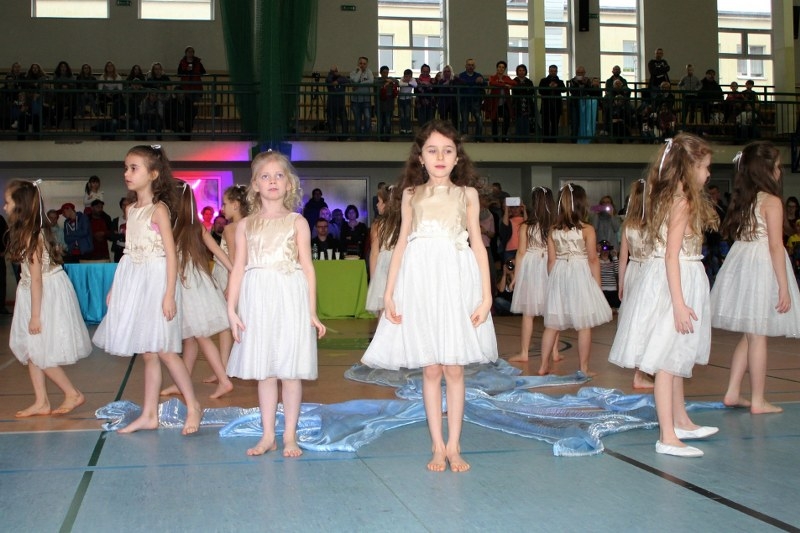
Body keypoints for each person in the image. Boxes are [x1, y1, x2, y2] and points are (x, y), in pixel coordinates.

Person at [362, 120, 498, 472]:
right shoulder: (411, 195)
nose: (440, 157)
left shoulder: (467, 195)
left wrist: (486, 296)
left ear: (457, 158)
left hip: (455, 282)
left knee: (454, 367)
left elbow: (478, 245)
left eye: (447, 151)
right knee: (431, 367)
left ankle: (455, 445)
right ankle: (437, 445)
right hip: (421, 282)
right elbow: (401, 244)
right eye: (432, 150)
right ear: (420, 157)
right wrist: (388, 293)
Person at [609, 134, 720, 457]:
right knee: (666, 362)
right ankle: (667, 436)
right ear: (689, 168)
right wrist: (680, 304)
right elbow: (671, 255)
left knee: (676, 356)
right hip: (675, 282)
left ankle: (681, 422)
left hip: (678, 278)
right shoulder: (681, 202)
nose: (708, 174)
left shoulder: (671, 197)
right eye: (705, 167)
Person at [92, 145, 202, 435]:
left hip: (156, 281)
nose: (127, 173)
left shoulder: (159, 210)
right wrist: (116, 287)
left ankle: (193, 406)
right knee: (148, 353)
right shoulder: (131, 210)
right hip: (136, 281)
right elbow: (128, 253)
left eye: (134, 168)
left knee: (165, 350)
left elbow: (171, 254)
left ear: (153, 174)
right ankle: (149, 414)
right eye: (126, 168)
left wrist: (169, 294)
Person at [226, 150, 325, 457]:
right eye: (265, 176)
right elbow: (238, 268)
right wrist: (231, 310)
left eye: (278, 175)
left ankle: (290, 435)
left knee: (290, 370)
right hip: (258, 298)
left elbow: (308, 268)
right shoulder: (246, 225)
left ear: (288, 183)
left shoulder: (297, 222)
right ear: (255, 184)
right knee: (266, 370)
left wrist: (312, 311)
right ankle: (268, 434)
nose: (272, 181)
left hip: (290, 296)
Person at [711, 142, 800, 414]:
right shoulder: (771, 201)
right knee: (758, 335)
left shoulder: (746, 199)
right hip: (761, 264)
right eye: (777, 166)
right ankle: (758, 399)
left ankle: (733, 392)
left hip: (744, 262)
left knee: (750, 334)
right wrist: (783, 287)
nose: (780, 171)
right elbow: (775, 245)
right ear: (765, 169)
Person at [4, 180, 91, 418]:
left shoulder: (32, 237)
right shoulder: (28, 233)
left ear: (20, 206)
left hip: (42, 293)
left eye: (7, 202)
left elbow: (37, 279)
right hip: (32, 290)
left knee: (39, 350)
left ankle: (72, 392)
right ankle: (41, 401)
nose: (4, 207)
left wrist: (35, 316)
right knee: (32, 350)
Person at [161, 182, 234, 400]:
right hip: (196, 282)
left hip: (188, 285)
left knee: (200, 336)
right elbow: (217, 251)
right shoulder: (196, 226)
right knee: (191, 339)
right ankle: (181, 382)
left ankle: (223, 380)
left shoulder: (175, 228)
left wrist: (235, 272)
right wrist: (233, 269)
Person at [539, 184, 612, 376]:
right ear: (581, 203)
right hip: (579, 273)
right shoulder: (587, 229)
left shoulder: (553, 230)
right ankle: (584, 367)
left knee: (552, 324)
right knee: (584, 324)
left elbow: (551, 261)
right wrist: (597, 285)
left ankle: (543, 365)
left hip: (559, 272)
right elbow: (593, 259)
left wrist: (553, 282)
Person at [508, 187, 560, 363]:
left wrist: (516, 275)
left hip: (531, 266)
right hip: (550, 263)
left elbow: (521, 252)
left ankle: (524, 353)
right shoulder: (556, 225)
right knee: (553, 311)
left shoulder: (527, 226)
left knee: (528, 313)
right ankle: (554, 351)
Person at [612, 179, 655, 390]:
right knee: (651, 320)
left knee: (637, 320)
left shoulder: (628, 225)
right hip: (651, 272)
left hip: (633, 271)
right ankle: (643, 371)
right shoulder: (655, 223)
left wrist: (621, 282)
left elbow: (623, 257)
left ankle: (643, 369)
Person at [208, 184, 248, 383]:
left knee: (226, 325)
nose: (222, 208)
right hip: (243, 275)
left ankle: (224, 369)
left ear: (235, 204)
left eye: (225, 204)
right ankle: (229, 367)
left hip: (229, 275)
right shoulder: (251, 224)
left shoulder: (231, 228)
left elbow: (233, 259)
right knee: (239, 323)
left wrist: (229, 286)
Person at [365, 185, 400, 315]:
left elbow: (374, 253)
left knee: (384, 308)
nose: (377, 205)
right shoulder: (404, 223)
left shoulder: (378, 225)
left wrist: (374, 278)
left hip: (384, 266)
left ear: (387, 204)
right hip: (399, 264)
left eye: (379, 202)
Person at [486, 60, 515, 142]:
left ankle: (504, 136)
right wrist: (505, 85)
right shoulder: (492, 77)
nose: (501, 69)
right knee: (494, 120)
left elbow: (514, 83)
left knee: (507, 118)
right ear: (497, 68)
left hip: (504, 103)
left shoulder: (506, 78)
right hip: (494, 103)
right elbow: (492, 83)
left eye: (503, 67)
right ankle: (495, 138)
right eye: (499, 67)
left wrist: (504, 82)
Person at [457, 58, 486, 138]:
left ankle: (478, 137)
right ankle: (465, 138)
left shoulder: (478, 75)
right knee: (465, 121)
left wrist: (482, 81)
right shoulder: (461, 75)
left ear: (474, 66)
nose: (470, 67)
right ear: (465, 66)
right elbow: (463, 83)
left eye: (472, 65)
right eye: (469, 65)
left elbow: (485, 84)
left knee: (479, 120)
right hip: (464, 101)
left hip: (475, 102)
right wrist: (474, 82)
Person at [539, 65, 565, 142]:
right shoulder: (543, 81)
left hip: (556, 106)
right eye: (551, 71)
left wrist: (557, 86)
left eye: (554, 71)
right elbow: (540, 91)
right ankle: (545, 139)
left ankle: (554, 139)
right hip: (546, 105)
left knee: (555, 124)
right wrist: (548, 86)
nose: (553, 72)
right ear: (549, 71)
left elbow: (564, 89)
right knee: (545, 123)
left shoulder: (560, 81)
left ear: (557, 72)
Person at [350, 56, 374, 137]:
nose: (362, 65)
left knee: (368, 117)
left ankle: (367, 135)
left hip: (366, 100)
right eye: (360, 63)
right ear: (358, 64)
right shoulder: (353, 73)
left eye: (364, 64)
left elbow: (371, 81)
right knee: (358, 119)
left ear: (367, 65)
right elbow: (355, 80)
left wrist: (359, 84)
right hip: (355, 100)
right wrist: (359, 72)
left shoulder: (369, 72)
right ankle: (358, 136)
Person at [512, 64, 535, 141]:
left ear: (525, 71)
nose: (521, 72)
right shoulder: (514, 81)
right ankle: (518, 138)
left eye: (523, 70)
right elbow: (515, 90)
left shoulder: (529, 81)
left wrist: (522, 90)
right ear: (517, 72)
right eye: (520, 70)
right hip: (517, 104)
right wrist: (525, 89)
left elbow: (531, 91)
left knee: (526, 121)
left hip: (527, 104)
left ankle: (526, 138)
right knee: (518, 121)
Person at [325, 65, 349, 139]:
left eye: (335, 71)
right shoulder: (329, 78)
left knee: (344, 120)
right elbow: (328, 80)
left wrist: (338, 81)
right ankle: (332, 136)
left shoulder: (341, 78)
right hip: (331, 103)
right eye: (332, 71)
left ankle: (344, 136)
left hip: (341, 103)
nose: (334, 72)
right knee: (331, 120)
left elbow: (346, 80)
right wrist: (331, 74)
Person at [110, 196, 132, 262]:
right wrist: (122, 236)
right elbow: (112, 236)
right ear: (121, 206)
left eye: (128, 204)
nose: (125, 207)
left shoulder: (136, 220)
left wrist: (120, 235)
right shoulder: (116, 220)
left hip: (132, 250)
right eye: (123, 205)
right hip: (119, 250)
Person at [377, 66, 397, 140]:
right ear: (381, 73)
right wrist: (385, 82)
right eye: (384, 72)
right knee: (381, 122)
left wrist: (390, 81)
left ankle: (388, 137)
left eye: (387, 72)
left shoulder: (391, 80)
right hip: (380, 105)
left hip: (389, 105)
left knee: (388, 122)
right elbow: (375, 82)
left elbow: (397, 81)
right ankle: (381, 137)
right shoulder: (378, 80)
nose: (385, 74)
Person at [397, 69, 417, 135]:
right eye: (406, 76)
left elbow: (415, 85)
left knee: (408, 115)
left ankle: (408, 129)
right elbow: (400, 84)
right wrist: (408, 84)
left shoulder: (413, 79)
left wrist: (407, 83)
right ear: (404, 76)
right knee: (402, 115)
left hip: (408, 99)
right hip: (401, 100)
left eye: (409, 76)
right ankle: (403, 129)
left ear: (411, 76)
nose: (407, 78)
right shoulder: (402, 79)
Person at [415, 63, 435, 128]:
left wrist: (427, 85)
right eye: (424, 71)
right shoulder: (417, 81)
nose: (425, 73)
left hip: (430, 104)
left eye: (427, 71)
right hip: (420, 103)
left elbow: (434, 90)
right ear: (421, 71)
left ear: (429, 71)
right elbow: (415, 91)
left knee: (430, 122)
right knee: (421, 122)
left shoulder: (433, 81)